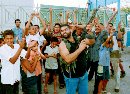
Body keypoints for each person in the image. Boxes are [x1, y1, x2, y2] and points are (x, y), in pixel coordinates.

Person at [59, 24, 95, 94]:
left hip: (83, 74)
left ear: (70, 29)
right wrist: (80, 48)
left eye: (65, 29)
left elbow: (92, 42)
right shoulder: (62, 44)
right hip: (71, 77)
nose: (64, 32)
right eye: (62, 31)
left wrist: (90, 33)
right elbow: (68, 59)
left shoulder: (78, 39)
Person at [0, 30, 26, 94]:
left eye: (11, 38)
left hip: (16, 78)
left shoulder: (17, 46)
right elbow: (12, 61)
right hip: (7, 79)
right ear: (4, 39)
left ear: (13, 38)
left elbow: (26, 55)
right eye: (7, 39)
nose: (9, 40)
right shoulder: (2, 49)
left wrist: (30, 47)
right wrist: (20, 48)